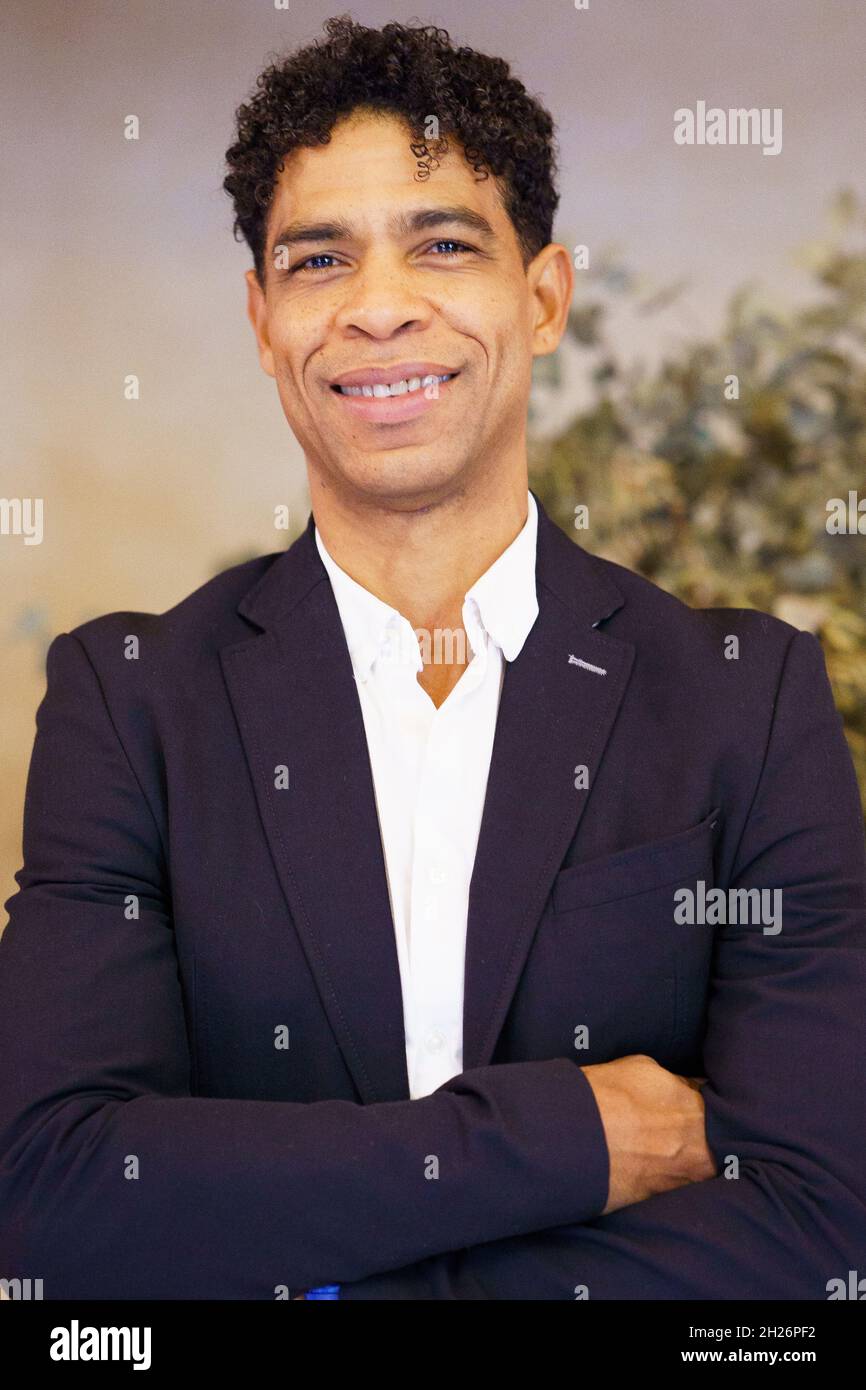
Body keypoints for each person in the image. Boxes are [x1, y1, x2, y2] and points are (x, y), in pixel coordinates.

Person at [1, 16, 864, 1300]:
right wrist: (557, 1138)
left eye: (443, 244)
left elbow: (814, 1226)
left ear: (544, 294)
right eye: (318, 259)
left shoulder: (750, 699)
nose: (378, 307)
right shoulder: (129, 705)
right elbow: (56, 1193)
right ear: (261, 317)